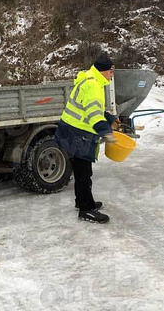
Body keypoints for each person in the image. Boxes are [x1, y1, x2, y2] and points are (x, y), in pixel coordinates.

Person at [54, 52, 118, 224]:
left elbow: (89, 107)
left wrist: (110, 119)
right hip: (77, 134)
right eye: (111, 72)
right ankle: (86, 210)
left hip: (70, 130)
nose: (112, 75)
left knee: (81, 170)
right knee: (83, 173)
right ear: (103, 71)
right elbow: (93, 114)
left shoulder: (89, 78)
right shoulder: (94, 87)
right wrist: (107, 132)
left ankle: (82, 201)